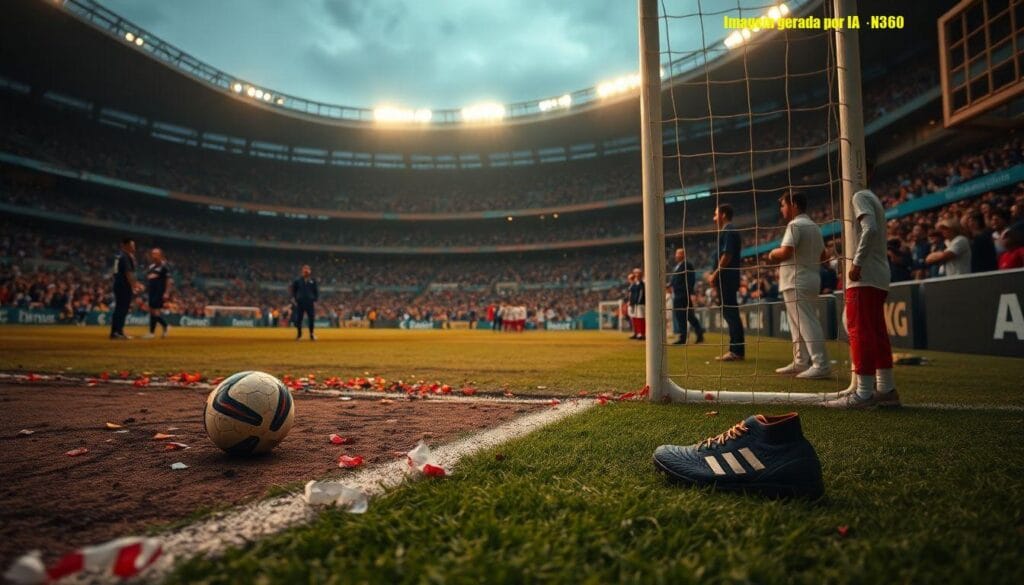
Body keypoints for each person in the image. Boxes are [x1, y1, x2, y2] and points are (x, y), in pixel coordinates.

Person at [823, 165, 899, 409]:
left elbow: (870, 229)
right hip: (878, 274)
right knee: (875, 332)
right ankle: (886, 389)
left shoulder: (860, 196)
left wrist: (856, 263)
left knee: (860, 331)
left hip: (865, 276)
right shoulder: (872, 198)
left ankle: (863, 394)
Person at [768, 191, 831, 379]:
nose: (782, 209)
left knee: (806, 322)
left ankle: (821, 364)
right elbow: (823, 256)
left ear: (794, 204)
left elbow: (786, 252)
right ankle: (800, 361)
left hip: (797, 279)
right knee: (798, 324)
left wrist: (772, 253)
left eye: (783, 205)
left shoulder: (795, 225)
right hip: (810, 277)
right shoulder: (814, 226)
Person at [707, 204, 744, 361]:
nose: (714, 218)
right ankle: (736, 350)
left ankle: (735, 350)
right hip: (728, 278)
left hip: (727, 279)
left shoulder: (728, 231)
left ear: (723, 215)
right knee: (730, 313)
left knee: (731, 313)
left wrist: (715, 274)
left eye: (715, 214)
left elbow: (727, 255)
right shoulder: (727, 231)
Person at [668, 248, 704, 345]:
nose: (676, 256)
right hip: (677, 294)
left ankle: (684, 337)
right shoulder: (677, 266)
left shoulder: (687, 265)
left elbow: (690, 280)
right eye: (676, 254)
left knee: (684, 316)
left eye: (678, 254)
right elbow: (674, 280)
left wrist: (689, 293)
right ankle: (698, 333)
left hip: (683, 295)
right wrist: (669, 285)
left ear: (683, 255)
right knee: (687, 316)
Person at [109, 238, 140, 340]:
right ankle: (118, 332)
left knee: (119, 308)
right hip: (124, 285)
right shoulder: (125, 256)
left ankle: (115, 331)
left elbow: (116, 271)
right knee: (122, 309)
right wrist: (134, 285)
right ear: (125, 245)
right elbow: (128, 273)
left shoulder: (118, 255)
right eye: (132, 245)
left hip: (118, 283)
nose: (134, 248)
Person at [142, 248, 171, 339]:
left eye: (156, 253)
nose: (154, 255)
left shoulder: (164, 266)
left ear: (160, 255)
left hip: (159, 291)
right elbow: (149, 277)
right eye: (153, 253)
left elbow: (168, 280)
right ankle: (164, 326)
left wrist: (166, 292)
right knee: (152, 311)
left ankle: (152, 332)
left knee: (154, 311)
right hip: (151, 291)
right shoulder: (151, 267)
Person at [290, 264, 319, 341]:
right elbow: (294, 291)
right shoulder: (297, 281)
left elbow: (316, 291)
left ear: (310, 271)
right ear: (302, 271)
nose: (306, 271)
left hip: (310, 302)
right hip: (300, 302)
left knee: (311, 319)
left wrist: (315, 300)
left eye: (307, 269)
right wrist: (295, 299)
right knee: (299, 319)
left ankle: (311, 334)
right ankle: (299, 335)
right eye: (305, 269)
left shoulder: (313, 281)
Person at [628, 268, 646, 341]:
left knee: (641, 318)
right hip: (635, 303)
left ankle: (642, 333)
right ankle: (637, 333)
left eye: (637, 273)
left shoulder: (642, 283)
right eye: (635, 273)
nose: (636, 275)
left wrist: (638, 301)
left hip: (640, 304)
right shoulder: (635, 283)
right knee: (635, 318)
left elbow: (641, 294)